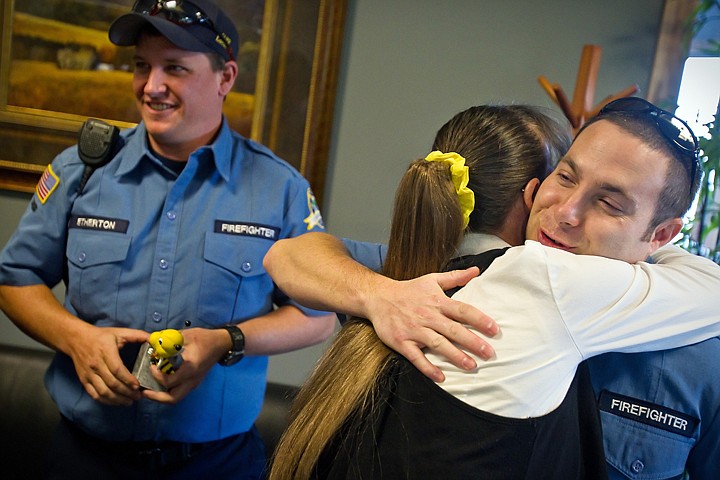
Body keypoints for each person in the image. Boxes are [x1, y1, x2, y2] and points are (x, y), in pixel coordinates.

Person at [264, 99, 720, 478]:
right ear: (533, 188)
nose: (565, 213)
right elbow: (290, 256)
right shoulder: (432, 280)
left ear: (660, 235)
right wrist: (378, 295)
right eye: (565, 176)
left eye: (609, 202)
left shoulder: (698, 359)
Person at [0, 1, 345, 478]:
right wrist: (76, 339)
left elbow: (316, 315)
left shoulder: (278, 189)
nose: (152, 86)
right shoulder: (79, 173)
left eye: (175, 68)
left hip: (217, 465)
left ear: (225, 78)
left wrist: (226, 340)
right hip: (84, 458)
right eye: (142, 66)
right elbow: (15, 278)